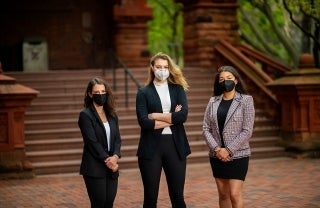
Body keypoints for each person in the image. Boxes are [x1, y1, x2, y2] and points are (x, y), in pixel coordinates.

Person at [135, 52, 191, 208]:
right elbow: (144, 122)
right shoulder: (143, 92)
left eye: (166, 67)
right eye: (159, 67)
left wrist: (156, 116)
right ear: (152, 68)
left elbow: (183, 116)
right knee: (150, 198)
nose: (162, 70)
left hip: (176, 146)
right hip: (151, 148)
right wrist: (172, 117)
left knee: (178, 197)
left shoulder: (177, 89)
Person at [202, 66, 255, 208]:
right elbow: (206, 128)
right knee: (223, 194)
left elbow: (247, 130)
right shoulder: (213, 101)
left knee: (234, 194)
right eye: (222, 79)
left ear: (236, 80)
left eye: (229, 78)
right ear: (219, 83)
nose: (226, 81)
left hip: (238, 154)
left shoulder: (246, 100)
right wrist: (217, 149)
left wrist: (228, 150)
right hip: (217, 155)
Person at [78, 77, 121, 208]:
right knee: (99, 203)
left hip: (111, 166)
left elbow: (117, 139)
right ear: (90, 94)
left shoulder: (112, 114)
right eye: (97, 92)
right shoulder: (85, 115)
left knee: (109, 203)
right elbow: (92, 142)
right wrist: (107, 160)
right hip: (94, 166)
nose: (100, 95)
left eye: (103, 92)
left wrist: (115, 156)